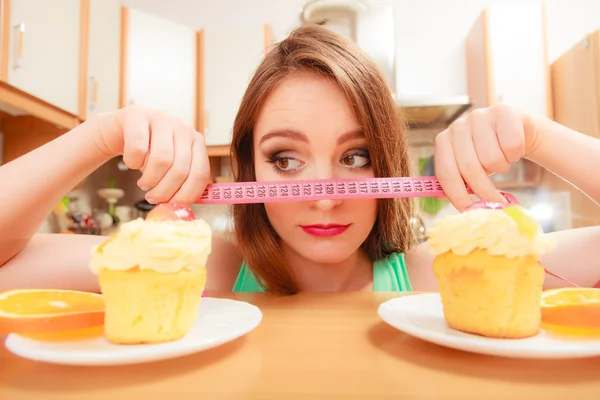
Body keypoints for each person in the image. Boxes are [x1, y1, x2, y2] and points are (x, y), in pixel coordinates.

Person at [1, 24, 599, 294]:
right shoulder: (193, 274)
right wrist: (100, 133)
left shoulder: (437, 275)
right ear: (247, 172)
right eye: (284, 159)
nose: (322, 194)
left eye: (357, 156)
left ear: (389, 168)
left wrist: (538, 135)